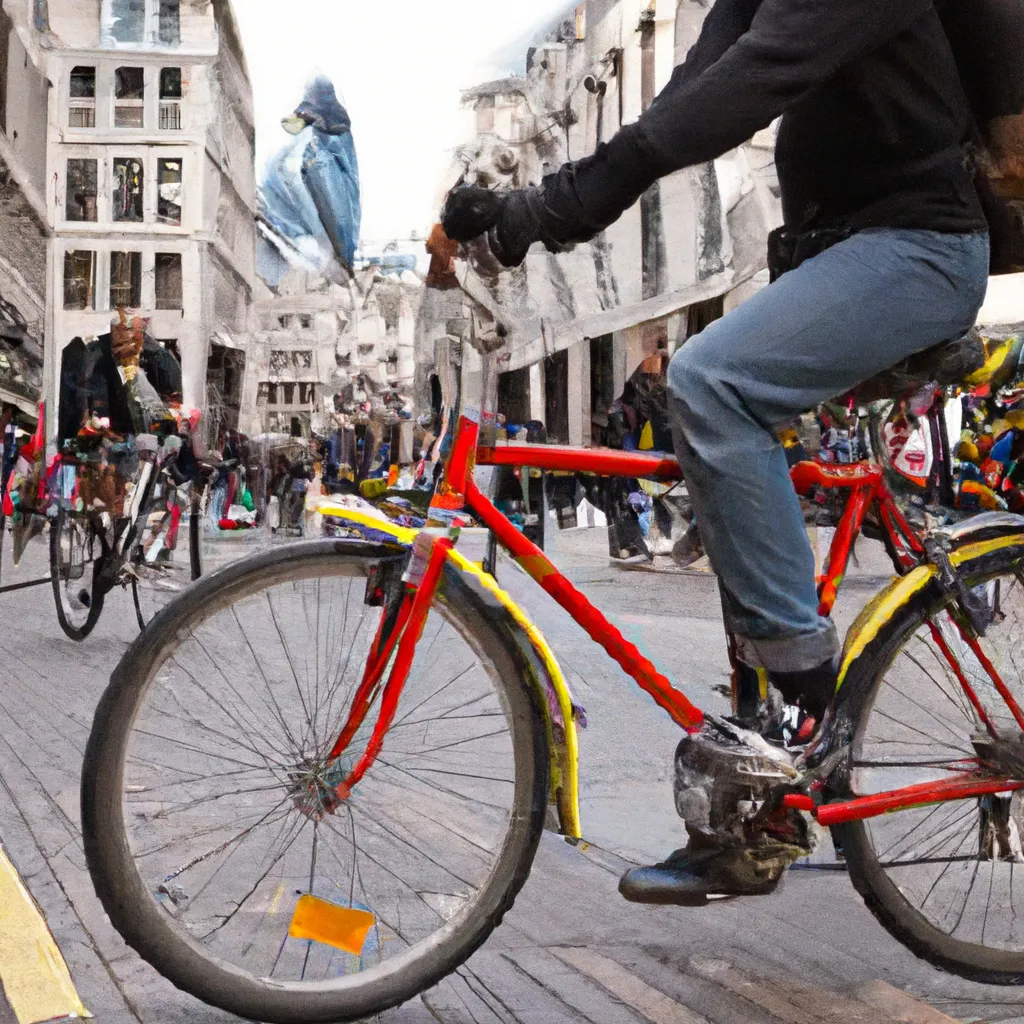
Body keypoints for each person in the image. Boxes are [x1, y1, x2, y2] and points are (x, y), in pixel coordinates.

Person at [443, 0, 999, 903]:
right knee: (727, 483)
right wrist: (545, 213)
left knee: (711, 382)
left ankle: (813, 710)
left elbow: (743, 90)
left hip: (921, 250)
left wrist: (556, 204)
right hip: (840, 252)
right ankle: (747, 824)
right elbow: (691, 89)